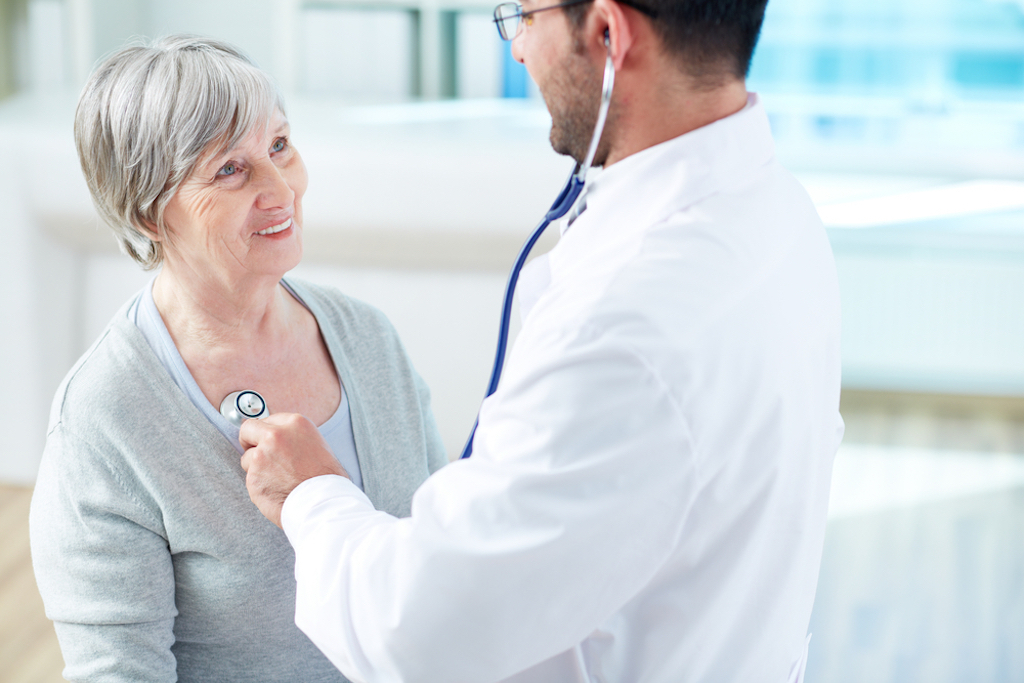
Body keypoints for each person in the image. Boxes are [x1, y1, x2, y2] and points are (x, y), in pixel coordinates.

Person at [241, 0, 843, 681]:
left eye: (526, 17)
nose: (519, 49)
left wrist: (312, 494)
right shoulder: (781, 212)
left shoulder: (623, 330)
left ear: (608, 33)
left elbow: (420, 628)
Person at [29, 36, 447, 683]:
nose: (281, 189)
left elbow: (438, 560)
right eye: (230, 168)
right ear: (148, 212)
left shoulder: (367, 339)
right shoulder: (104, 421)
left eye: (279, 146)